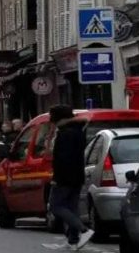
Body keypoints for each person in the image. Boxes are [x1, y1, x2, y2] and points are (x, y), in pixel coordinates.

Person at [48, 105, 94, 250]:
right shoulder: (78, 130)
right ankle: (73, 240)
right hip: (77, 175)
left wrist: (57, 177)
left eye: (52, 116)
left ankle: (83, 230)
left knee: (56, 206)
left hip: (65, 177)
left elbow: (63, 159)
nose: (51, 120)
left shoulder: (65, 133)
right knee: (71, 207)